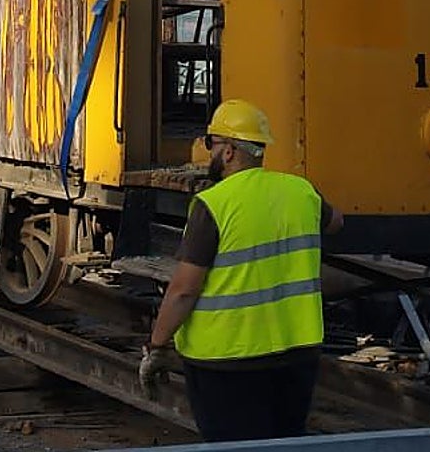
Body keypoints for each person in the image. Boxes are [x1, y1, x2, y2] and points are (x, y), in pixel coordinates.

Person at [139, 98, 343, 442]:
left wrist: (157, 345)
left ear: (230, 151)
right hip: (297, 355)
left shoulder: (213, 204)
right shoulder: (301, 191)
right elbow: (336, 222)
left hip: (226, 362)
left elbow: (184, 290)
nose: (209, 153)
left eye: (211, 143)